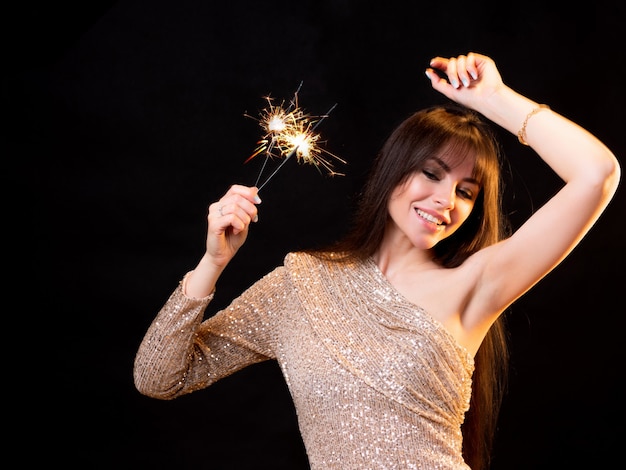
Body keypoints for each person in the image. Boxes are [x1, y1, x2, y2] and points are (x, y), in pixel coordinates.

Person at [133, 52, 620, 470]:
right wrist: (212, 263)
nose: (445, 199)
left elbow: (596, 174)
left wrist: (493, 99)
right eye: (431, 173)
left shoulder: (475, 285)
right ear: (393, 170)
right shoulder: (300, 286)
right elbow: (158, 378)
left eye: (466, 192)